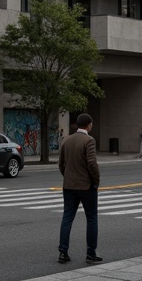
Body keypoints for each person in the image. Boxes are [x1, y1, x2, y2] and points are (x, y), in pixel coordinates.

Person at [58, 113, 101, 265]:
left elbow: (61, 164)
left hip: (69, 186)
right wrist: (95, 181)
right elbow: (92, 163)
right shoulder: (89, 140)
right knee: (92, 218)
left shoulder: (66, 140)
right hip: (86, 186)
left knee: (67, 217)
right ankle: (91, 253)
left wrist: (68, 177)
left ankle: (63, 252)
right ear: (89, 125)